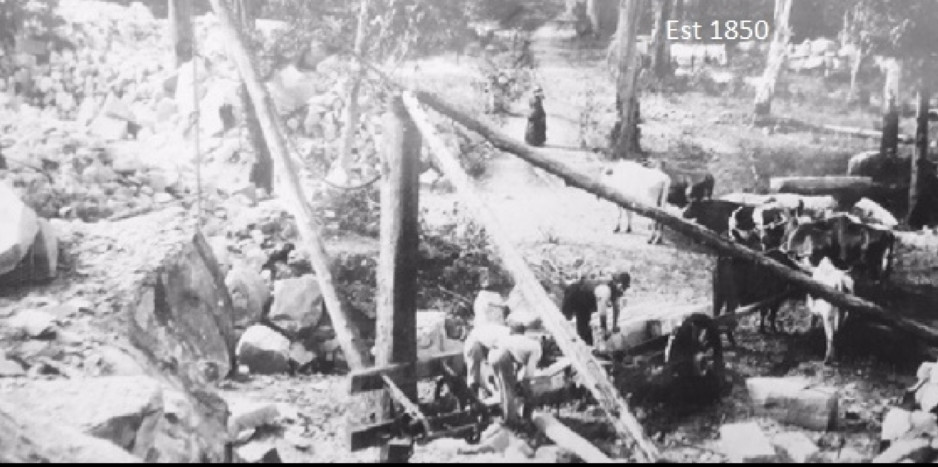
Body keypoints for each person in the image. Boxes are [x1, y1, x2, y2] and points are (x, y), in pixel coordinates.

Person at [561, 271, 631, 346]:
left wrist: (614, 326)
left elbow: (616, 307)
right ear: (619, 285)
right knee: (566, 321)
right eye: (623, 288)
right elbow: (602, 313)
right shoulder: (604, 290)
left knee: (584, 331)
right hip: (574, 295)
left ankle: (588, 345)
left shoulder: (615, 290)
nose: (623, 291)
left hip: (585, 302)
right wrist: (604, 330)